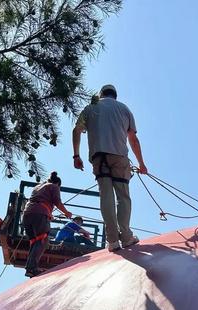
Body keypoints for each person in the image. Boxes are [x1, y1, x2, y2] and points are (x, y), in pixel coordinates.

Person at [72, 84, 148, 252]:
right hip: (119, 156)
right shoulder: (124, 109)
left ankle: (112, 240)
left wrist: (76, 156)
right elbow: (133, 139)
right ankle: (126, 236)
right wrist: (141, 163)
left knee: (105, 196)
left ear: (100, 95)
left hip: (98, 157)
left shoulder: (90, 108)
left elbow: (76, 130)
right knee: (123, 196)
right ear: (115, 95)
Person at [22, 171, 72, 277]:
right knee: (42, 240)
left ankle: (30, 268)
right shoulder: (54, 187)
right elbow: (57, 202)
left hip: (27, 214)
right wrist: (66, 212)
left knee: (34, 241)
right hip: (40, 213)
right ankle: (32, 268)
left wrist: (48, 214)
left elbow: (39, 201)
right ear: (58, 183)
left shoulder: (37, 187)